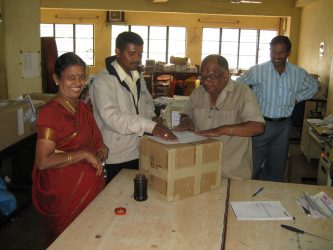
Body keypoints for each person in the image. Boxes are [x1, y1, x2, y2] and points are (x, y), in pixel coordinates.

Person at [32, 52, 108, 247]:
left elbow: (98, 143)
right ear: (57, 79)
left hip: (91, 189)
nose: (78, 82)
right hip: (65, 195)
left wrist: (100, 151)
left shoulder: (83, 108)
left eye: (82, 76)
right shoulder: (50, 113)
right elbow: (43, 161)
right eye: (71, 77)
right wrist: (83, 154)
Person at [90, 31, 177, 184]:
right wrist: (149, 126)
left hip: (141, 150)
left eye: (140, 54)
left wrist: (151, 117)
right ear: (117, 52)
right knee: (118, 199)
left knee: (138, 197)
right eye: (132, 53)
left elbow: (148, 103)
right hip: (116, 155)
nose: (137, 58)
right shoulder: (103, 82)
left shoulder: (137, 76)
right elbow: (112, 118)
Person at [237, 35, 318, 182]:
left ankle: (270, 197)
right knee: (252, 165)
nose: (276, 56)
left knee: (277, 167)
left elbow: (314, 86)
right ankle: (246, 194)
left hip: (284, 126)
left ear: (288, 53)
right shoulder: (258, 71)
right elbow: (238, 85)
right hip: (260, 123)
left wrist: (296, 97)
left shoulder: (298, 73)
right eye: (273, 51)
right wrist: (249, 103)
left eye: (281, 52)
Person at [174, 54, 265, 180]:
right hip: (200, 169)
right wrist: (186, 120)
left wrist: (222, 130)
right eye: (203, 77)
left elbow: (258, 127)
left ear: (226, 75)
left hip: (232, 173)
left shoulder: (243, 93)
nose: (206, 82)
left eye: (212, 77)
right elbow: (186, 113)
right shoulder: (198, 92)